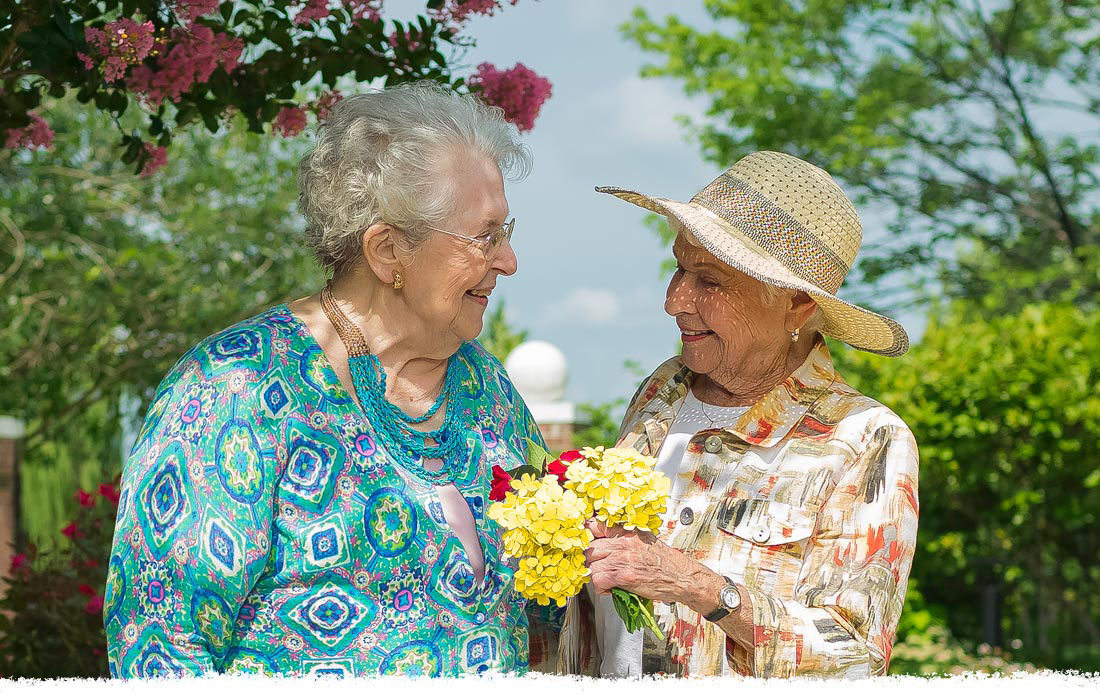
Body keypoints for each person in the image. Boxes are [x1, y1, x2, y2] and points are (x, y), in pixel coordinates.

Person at [103, 82, 546, 677]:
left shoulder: (487, 388)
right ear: (388, 251)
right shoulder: (237, 387)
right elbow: (160, 646)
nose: (510, 261)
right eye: (484, 236)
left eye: (507, 231)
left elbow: (542, 607)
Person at [558, 152, 920, 678]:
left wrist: (699, 586)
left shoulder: (864, 440)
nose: (674, 301)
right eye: (680, 267)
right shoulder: (662, 391)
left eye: (710, 280)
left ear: (796, 304)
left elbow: (856, 656)